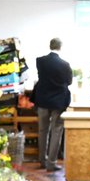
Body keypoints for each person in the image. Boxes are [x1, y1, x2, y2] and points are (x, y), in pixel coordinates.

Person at [34, 38, 73, 171]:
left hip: (42, 99)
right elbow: (69, 82)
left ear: (49, 45)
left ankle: (42, 160)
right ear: (60, 47)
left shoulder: (40, 61)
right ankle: (51, 163)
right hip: (58, 101)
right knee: (56, 131)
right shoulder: (65, 64)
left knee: (42, 130)